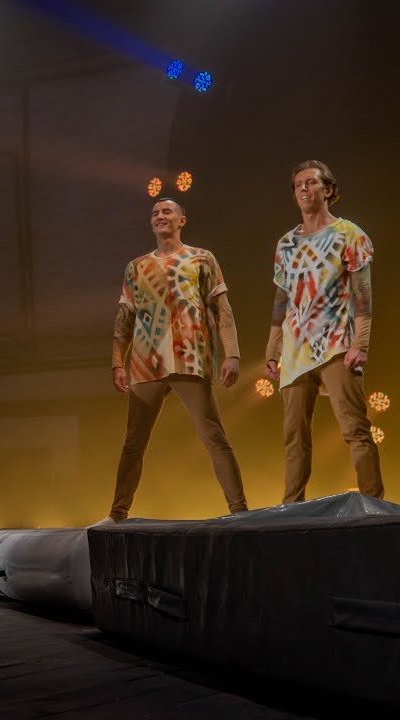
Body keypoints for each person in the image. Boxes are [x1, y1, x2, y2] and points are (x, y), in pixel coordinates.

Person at [95, 198, 248, 525]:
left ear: (182, 220)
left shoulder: (201, 258)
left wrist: (232, 354)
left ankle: (239, 512)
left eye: (167, 212)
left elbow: (222, 310)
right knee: (133, 443)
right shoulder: (136, 267)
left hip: (189, 359)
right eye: (155, 213)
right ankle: (117, 514)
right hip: (145, 363)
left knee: (213, 435)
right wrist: (117, 363)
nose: (160, 216)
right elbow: (124, 319)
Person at [264, 160, 382, 503]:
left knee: (354, 427)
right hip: (295, 350)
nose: (304, 188)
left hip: (336, 344)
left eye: (311, 182)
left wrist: (361, 343)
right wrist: (272, 350)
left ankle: (374, 505)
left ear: (328, 190)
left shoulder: (349, 234)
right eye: (298, 184)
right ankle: (292, 508)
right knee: (294, 437)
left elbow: (363, 294)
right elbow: (281, 298)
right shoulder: (286, 243)